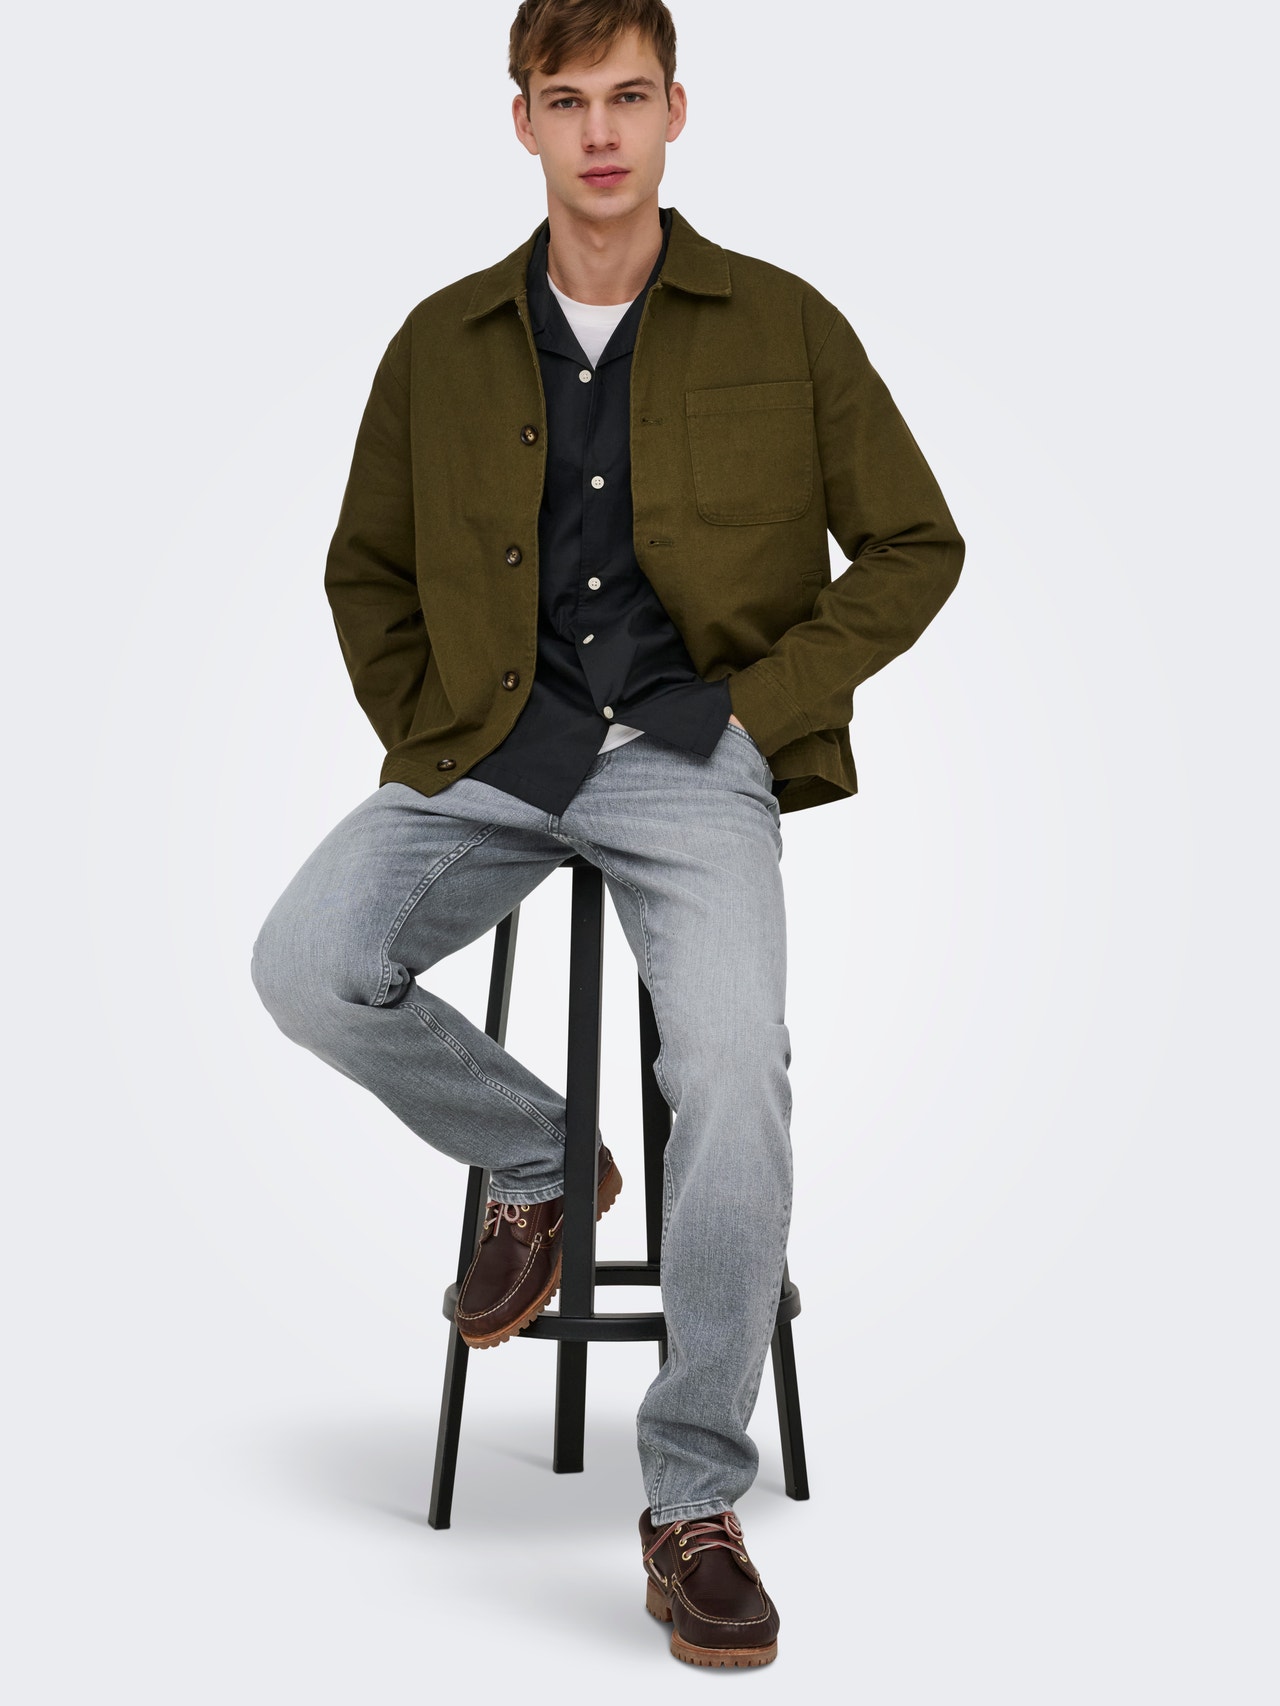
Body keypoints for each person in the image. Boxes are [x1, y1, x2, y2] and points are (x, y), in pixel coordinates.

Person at [250, 0, 963, 1670]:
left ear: (676, 110)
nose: (600, 133)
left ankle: (692, 1496)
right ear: (521, 120)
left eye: (628, 96)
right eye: (566, 100)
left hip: (693, 755)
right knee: (305, 961)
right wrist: (429, 726)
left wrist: (760, 708)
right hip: (492, 746)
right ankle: (546, 1162)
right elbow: (365, 564)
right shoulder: (440, 341)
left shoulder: (784, 322)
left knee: (729, 1069)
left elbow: (915, 545)